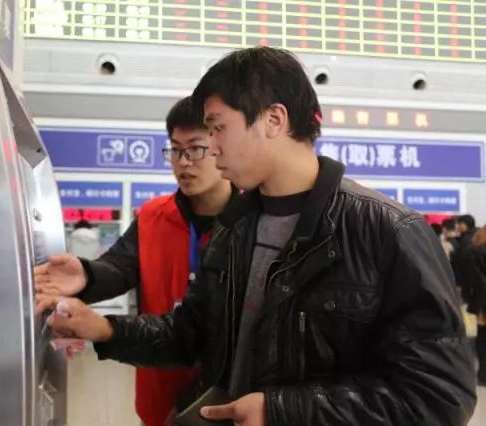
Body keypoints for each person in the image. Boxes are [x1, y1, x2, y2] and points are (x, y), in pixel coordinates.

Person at [39, 47, 476, 425]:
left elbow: (438, 396)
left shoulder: (385, 231)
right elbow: (192, 335)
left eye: (218, 127)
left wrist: (283, 411)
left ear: (273, 119)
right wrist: (103, 329)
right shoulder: (235, 227)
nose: (212, 146)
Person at [36, 96, 235, 426]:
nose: (183, 162)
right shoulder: (154, 216)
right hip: (157, 393)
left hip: (226, 404)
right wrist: (86, 275)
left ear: (221, 145)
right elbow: (120, 266)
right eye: (175, 150)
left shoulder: (251, 223)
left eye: (196, 149)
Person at [463, 225, 486, 385]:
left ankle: (483, 374)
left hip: (482, 301)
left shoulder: (475, 251)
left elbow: (470, 279)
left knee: (483, 338)